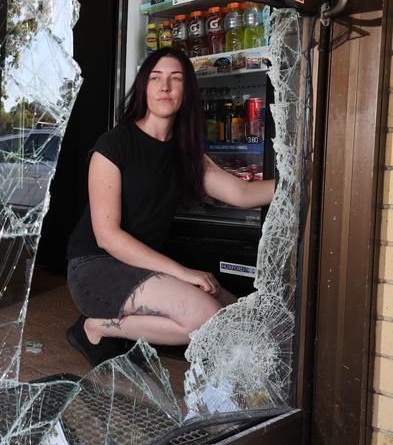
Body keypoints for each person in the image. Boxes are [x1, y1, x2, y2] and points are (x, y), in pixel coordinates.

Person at [65, 46, 275, 366]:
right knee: (208, 316)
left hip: (143, 267)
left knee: (237, 314)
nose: (165, 86)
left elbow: (241, 194)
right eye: (155, 78)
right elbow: (107, 236)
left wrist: (300, 185)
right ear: (144, 88)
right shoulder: (114, 145)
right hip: (95, 268)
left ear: (185, 92)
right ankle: (96, 327)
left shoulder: (185, 154)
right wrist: (183, 272)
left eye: (175, 79)